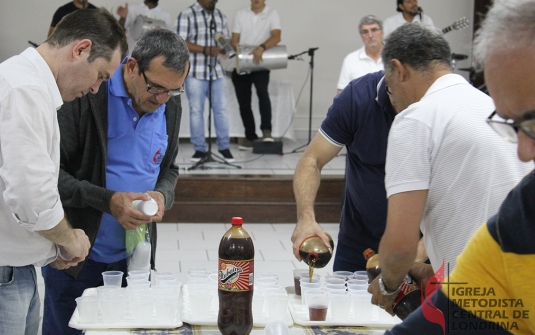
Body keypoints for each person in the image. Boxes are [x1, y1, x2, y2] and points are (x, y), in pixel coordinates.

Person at [384, 1, 535, 333]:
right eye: (514, 125)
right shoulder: (519, 214)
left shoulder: (417, 119)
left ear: (399, 70)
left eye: (532, 124)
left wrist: (387, 286)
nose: (525, 153)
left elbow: (399, 245)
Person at [41, 29, 188, 335]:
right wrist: (110, 201)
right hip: (76, 257)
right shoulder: (88, 92)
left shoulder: (168, 105)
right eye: (156, 87)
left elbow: (169, 169)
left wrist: (162, 196)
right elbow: (51, 176)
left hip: (134, 260)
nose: (162, 100)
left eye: (173, 91)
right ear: (132, 67)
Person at [0, 8, 126, 335]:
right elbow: (31, 197)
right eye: (100, 75)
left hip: (17, 267)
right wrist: (69, 238)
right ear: (80, 49)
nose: (97, 89)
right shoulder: (24, 88)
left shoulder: (29, 84)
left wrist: (49, 247)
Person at [291, 70, 398, 272]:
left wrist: (420, 250)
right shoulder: (357, 97)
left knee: (421, 303)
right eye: (392, 93)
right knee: (345, 301)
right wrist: (305, 218)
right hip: (359, 239)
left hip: (422, 244)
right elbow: (312, 160)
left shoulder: (439, 106)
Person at [177, 0, 235, 163]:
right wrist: (204, 49)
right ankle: (200, 150)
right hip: (195, 71)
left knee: (221, 110)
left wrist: (224, 48)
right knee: (196, 111)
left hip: (216, 71)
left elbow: (225, 39)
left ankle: (224, 147)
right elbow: (180, 42)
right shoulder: (187, 14)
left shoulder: (220, 16)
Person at [230, 0, 281, 149]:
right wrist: (236, 49)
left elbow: (276, 36)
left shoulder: (272, 13)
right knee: (244, 101)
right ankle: (250, 136)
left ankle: (267, 131)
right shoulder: (241, 14)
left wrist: (261, 48)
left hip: (261, 62)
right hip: (243, 61)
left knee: (262, 93)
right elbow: (235, 40)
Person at [336, 15, 384, 94]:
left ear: (382, 33)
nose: (370, 35)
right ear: (361, 36)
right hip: (360, 106)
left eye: (374, 30)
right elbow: (341, 92)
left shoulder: (394, 56)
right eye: (365, 32)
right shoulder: (350, 60)